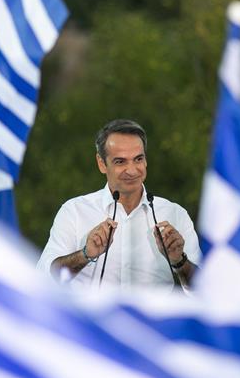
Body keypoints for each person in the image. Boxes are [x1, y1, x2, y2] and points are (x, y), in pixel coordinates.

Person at [36, 119, 201, 290]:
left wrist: (179, 261)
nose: (131, 170)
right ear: (101, 163)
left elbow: (206, 291)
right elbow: (45, 280)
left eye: (138, 159)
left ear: (145, 161)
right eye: (120, 162)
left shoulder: (174, 213)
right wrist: (85, 255)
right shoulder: (74, 211)